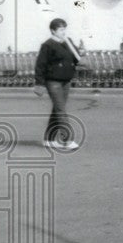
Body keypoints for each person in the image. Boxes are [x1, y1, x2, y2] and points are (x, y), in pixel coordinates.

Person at [34, 18, 81, 150]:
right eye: (61, 29)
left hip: (66, 80)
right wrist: (39, 83)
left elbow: (75, 57)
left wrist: (79, 58)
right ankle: (67, 140)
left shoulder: (68, 42)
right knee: (61, 109)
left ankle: (49, 139)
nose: (63, 32)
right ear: (53, 31)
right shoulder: (47, 45)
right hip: (53, 81)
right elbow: (40, 65)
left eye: (64, 29)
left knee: (57, 109)